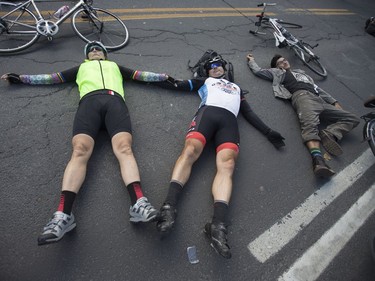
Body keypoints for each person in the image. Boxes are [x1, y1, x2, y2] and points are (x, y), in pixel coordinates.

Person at [1, 41, 171, 245]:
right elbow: (52, 78)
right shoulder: (81, 68)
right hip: (89, 104)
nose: (94, 50)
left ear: (105, 54)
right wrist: (21, 78)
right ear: (86, 56)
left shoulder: (115, 66)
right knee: (80, 150)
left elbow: (140, 75)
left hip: (114, 102)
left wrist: (164, 77)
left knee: (125, 148)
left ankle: (138, 203)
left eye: (98, 49)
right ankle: (64, 215)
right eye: (90, 50)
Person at [156, 56, 285, 259]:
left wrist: (268, 132)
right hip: (207, 115)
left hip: (229, 123)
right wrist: (148, 77)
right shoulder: (205, 82)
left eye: (218, 65)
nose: (215, 68)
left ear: (224, 68)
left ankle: (217, 226)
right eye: (211, 67)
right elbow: (177, 84)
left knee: (228, 165)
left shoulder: (236, 88)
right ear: (206, 72)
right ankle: (168, 207)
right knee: (190, 151)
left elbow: (248, 113)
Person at [246, 53, 360, 178]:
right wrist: (251, 60)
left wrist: (334, 101)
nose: (284, 62)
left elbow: (317, 88)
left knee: (353, 118)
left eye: (284, 60)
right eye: (280, 62)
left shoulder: (301, 73)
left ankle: (331, 133)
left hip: (319, 99)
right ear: (277, 67)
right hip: (302, 97)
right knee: (310, 126)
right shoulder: (277, 73)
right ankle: (318, 162)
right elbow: (258, 71)